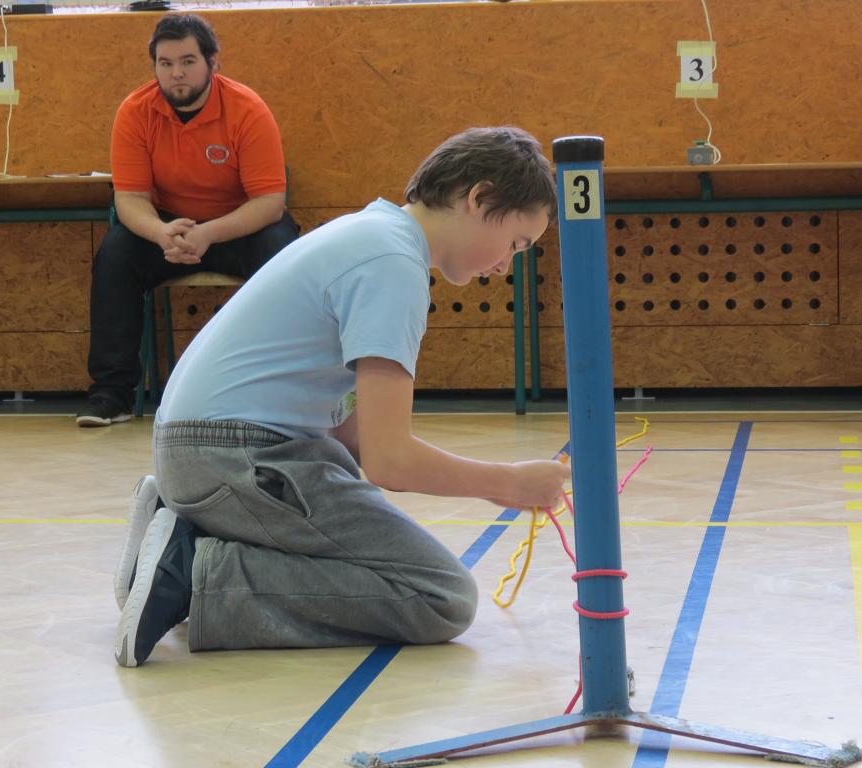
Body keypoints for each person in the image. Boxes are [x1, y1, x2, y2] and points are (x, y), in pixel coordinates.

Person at [112, 126, 571, 667]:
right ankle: (192, 572)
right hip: (231, 456)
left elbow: (352, 436)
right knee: (440, 597)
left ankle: (189, 526)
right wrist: (507, 483)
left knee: (350, 494)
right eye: (516, 244)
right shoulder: (392, 266)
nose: (506, 265)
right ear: (479, 198)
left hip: (202, 453)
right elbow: (390, 461)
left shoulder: (371, 233)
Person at [77, 13, 299, 427]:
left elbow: (269, 202)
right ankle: (112, 394)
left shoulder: (247, 109)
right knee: (116, 252)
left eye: (187, 61)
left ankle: (279, 391)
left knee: (282, 252)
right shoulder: (135, 112)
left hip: (236, 228)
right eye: (165, 63)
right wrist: (162, 233)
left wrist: (209, 234)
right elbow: (129, 200)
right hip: (169, 232)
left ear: (213, 64)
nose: (176, 73)